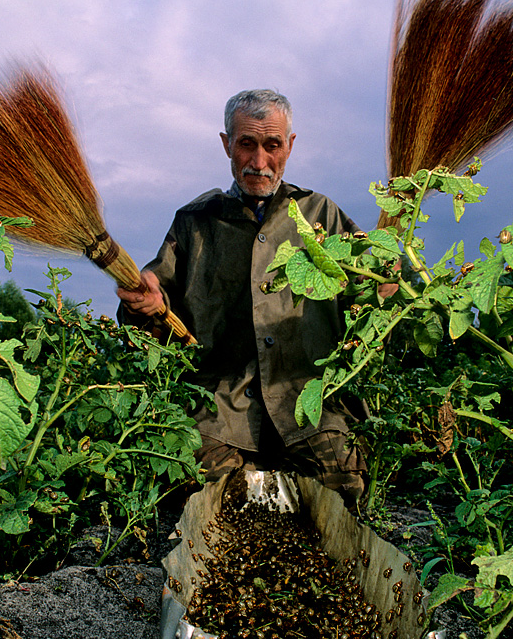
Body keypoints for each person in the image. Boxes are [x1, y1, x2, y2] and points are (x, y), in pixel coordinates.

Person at [117, 89, 368, 501]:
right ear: (226, 144)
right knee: (213, 502)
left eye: (272, 146)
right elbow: (151, 319)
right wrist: (145, 306)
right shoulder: (195, 223)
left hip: (311, 408)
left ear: (289, 145)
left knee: (340, 490)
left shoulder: (322, 216)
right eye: (245, 144)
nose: (258, 162)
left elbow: (371, 304)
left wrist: (388, 285)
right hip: (221, 412)